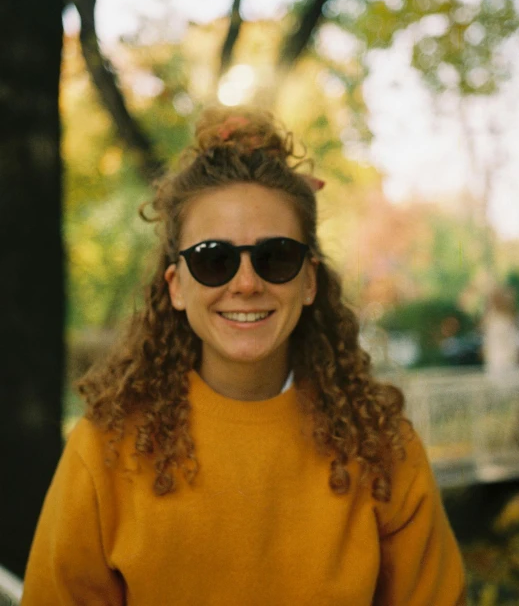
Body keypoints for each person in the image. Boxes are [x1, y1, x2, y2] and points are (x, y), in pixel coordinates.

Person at [22, 107, 466, 605]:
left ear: (309, 280)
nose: (247, 284)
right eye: (214, 259)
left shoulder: (382, 446)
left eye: (275, 257)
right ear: (176, 286)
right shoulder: (105, 449)